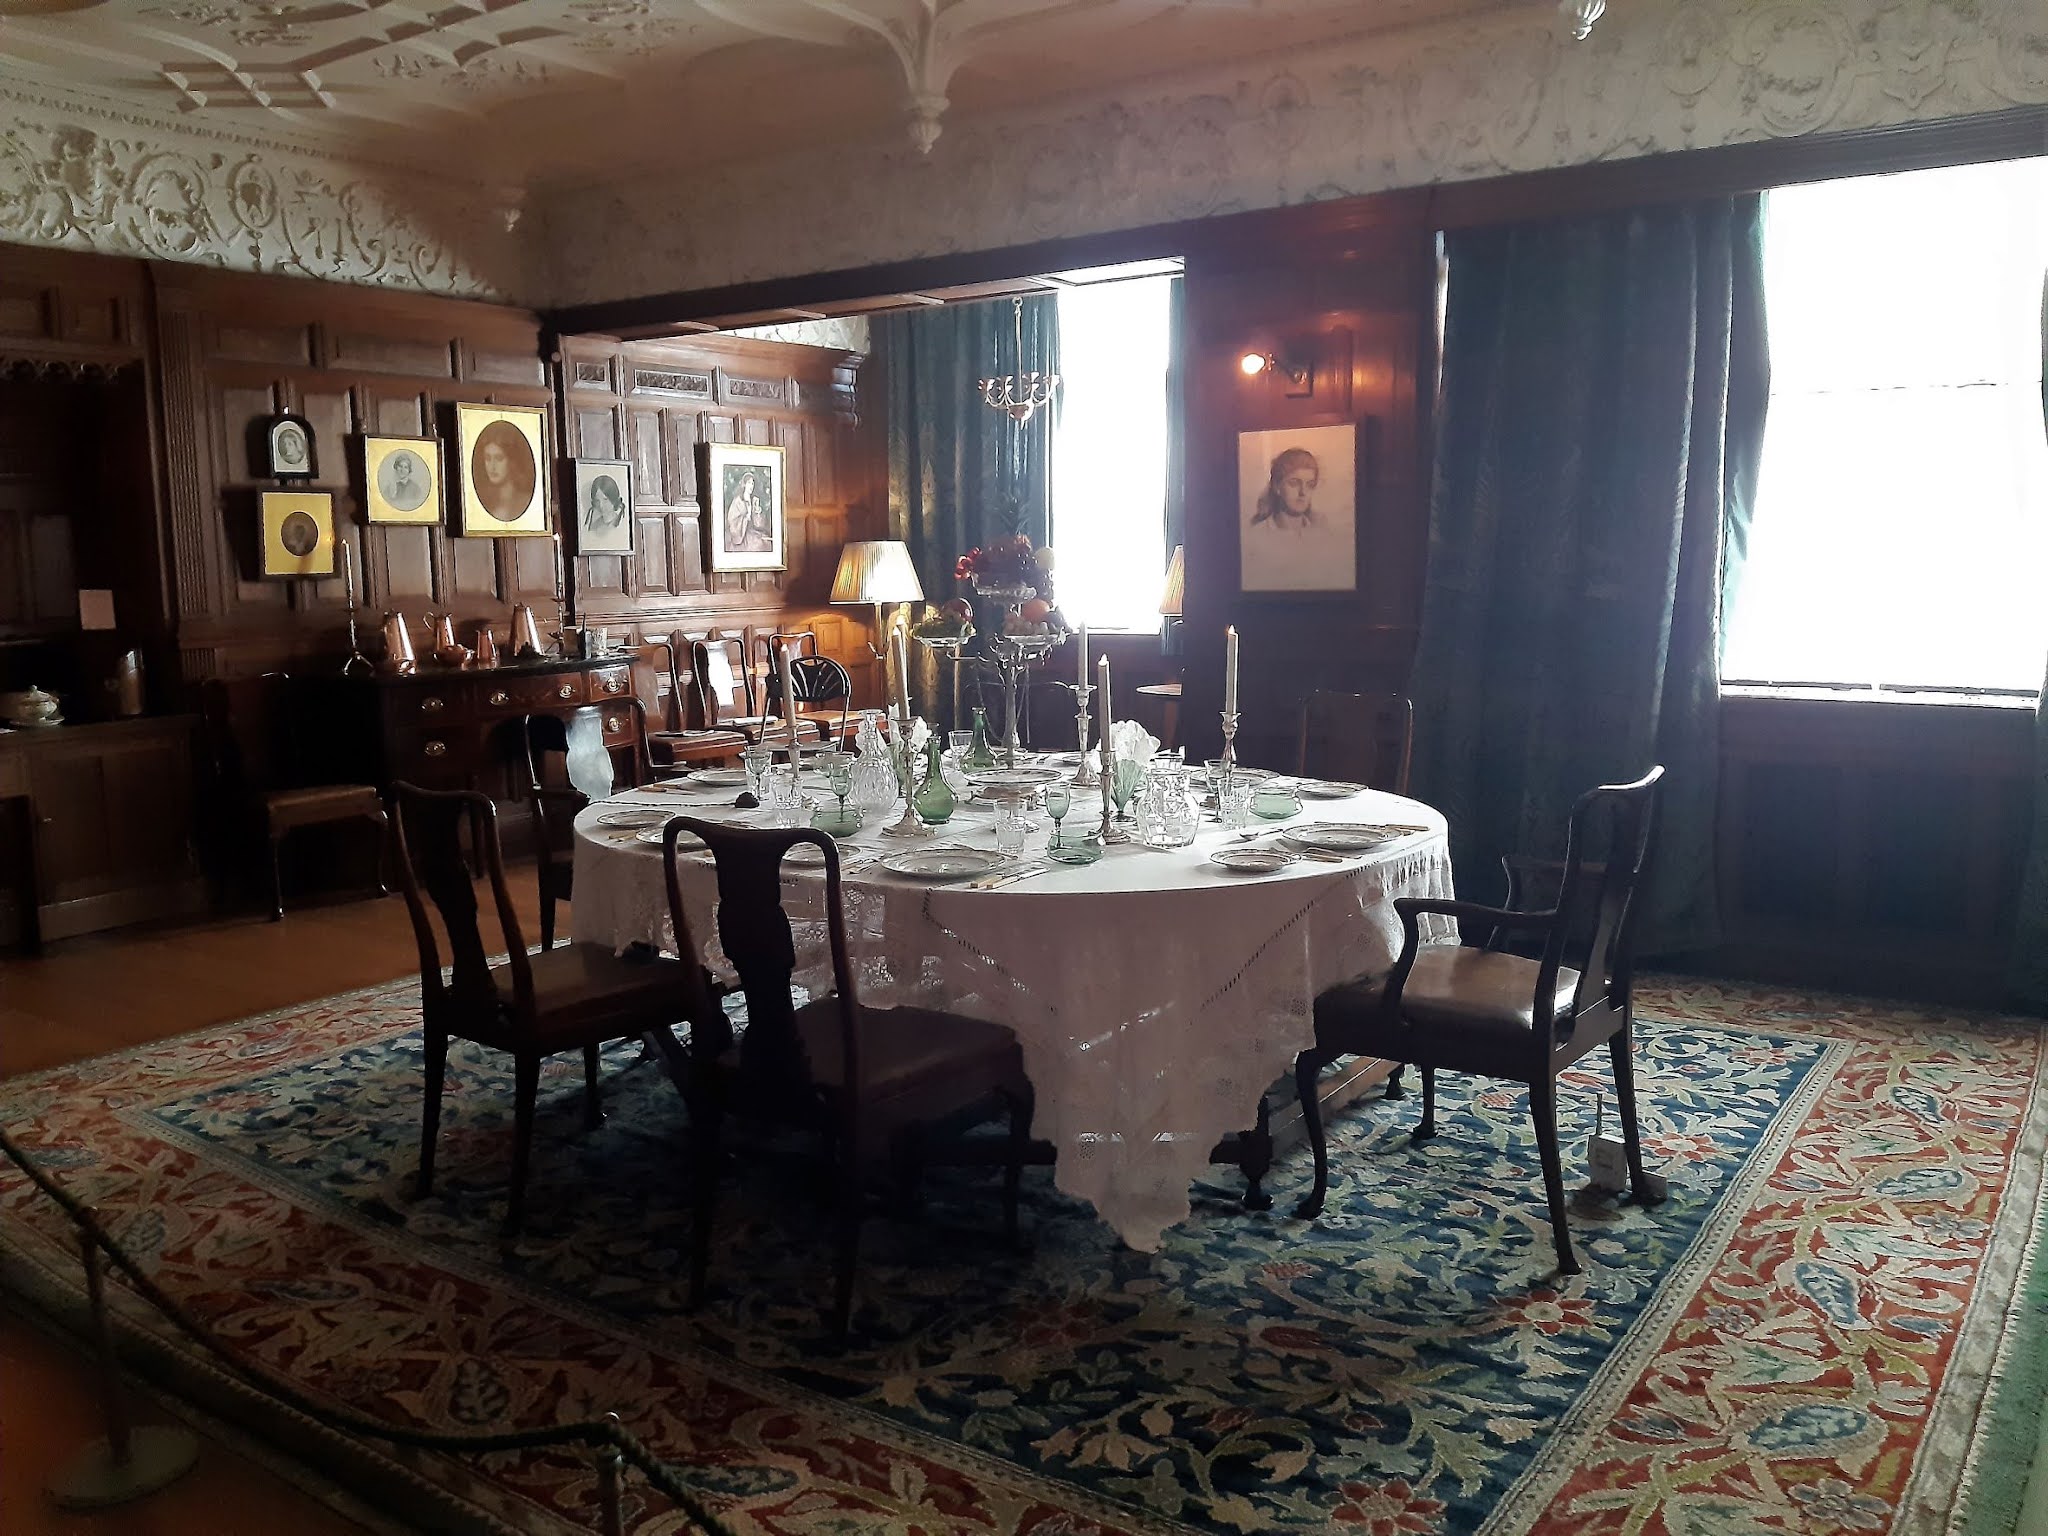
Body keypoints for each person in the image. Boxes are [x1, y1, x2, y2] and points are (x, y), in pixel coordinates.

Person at [471, 420, 535, 522]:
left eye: (499, 458)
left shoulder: (525, 502)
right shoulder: (483, 502)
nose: (492, 466)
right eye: (488, 458)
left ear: (511, 461)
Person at [1249, 447, 1319, 532]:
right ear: (1276, 486)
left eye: (1310, 485)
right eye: (1294, 483)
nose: (1303, 492)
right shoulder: (1257, 533)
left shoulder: (1322, 532)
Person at [724, 467, 771, 552]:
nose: (751, 486)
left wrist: (757, 513)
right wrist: (745, 518)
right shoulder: (738, 501)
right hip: (741, 535)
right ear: (744, 484)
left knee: (766, 543)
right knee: (758, 545)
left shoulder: (754, 500)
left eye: (752, 484)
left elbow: (759, 524)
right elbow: (732, 520)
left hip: (753, 532)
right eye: (749, 483)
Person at [378, 449, 429, 513]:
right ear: (396, 467)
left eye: (406, 467)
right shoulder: (389, 487)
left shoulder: (415, 488)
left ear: (409, 470)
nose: (402, 470)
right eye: (400, 466)